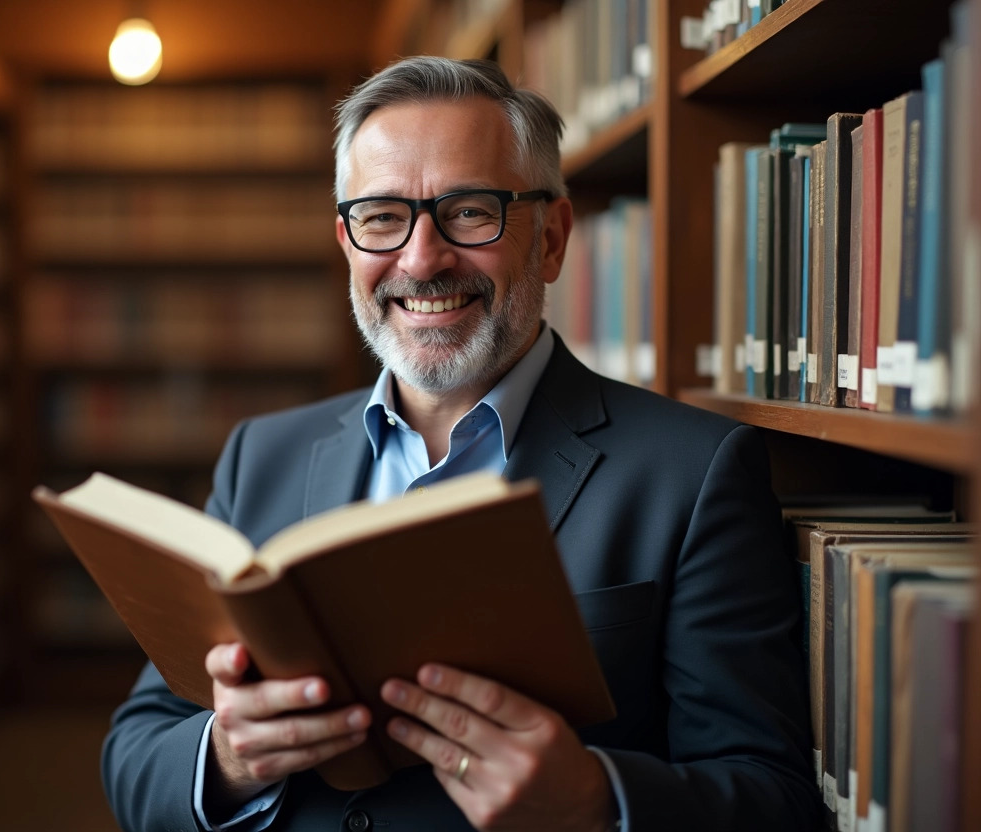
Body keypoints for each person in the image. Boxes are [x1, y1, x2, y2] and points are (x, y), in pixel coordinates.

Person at [101, 56, 820, 832]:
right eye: (381, 216)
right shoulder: (262, 455)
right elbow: (136, 750)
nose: (420, 258)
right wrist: (230, 757)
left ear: (550, 238)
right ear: (346, 241)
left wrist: (594, 800)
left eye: (470, 211)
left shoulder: (696, 473)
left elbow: (772, 796)